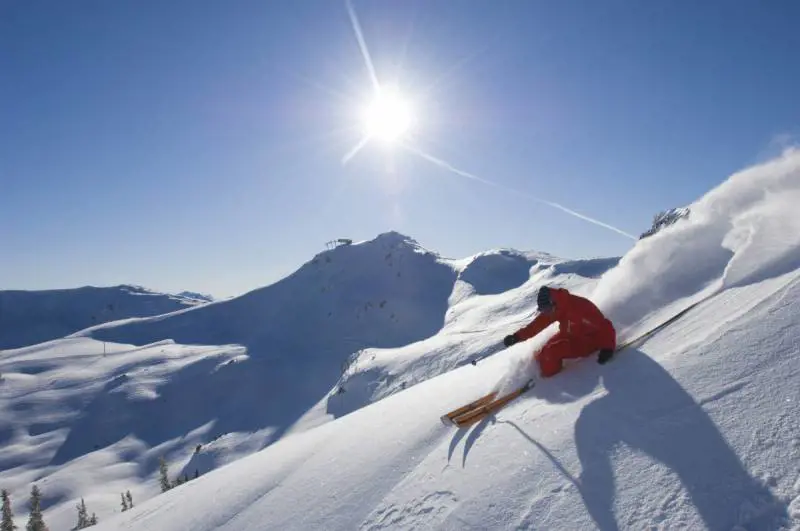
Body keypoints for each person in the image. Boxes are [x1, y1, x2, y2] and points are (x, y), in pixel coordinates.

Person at [503, 286, 616, 377]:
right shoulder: (555, 309)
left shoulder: (579, 309)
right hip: (569, 335)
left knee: (551, 351)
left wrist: (608, 348)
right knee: (541, 352)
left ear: (554, 303)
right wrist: (516, 337)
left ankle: (546, 378)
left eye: (546, 310)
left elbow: (604, 326)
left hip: (587, 341)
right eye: (543, 310)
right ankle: (535, 372)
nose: (546, 313)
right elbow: (536, 326)